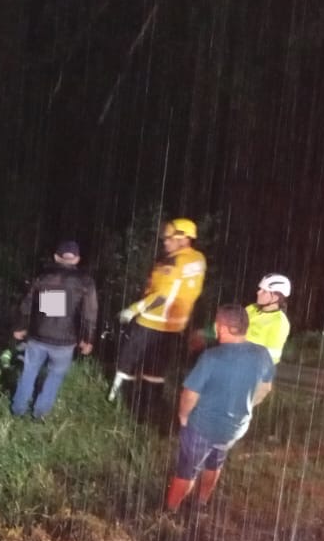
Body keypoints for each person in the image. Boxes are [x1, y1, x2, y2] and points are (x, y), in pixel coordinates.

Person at [166, 303, 275, 512]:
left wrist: (183, 416)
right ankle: (201, 503)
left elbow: (190, 394)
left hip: (202, 426)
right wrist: (246, 404)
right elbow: (265, 388)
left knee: (186, 472)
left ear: (221, 328)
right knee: (215, 462)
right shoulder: (262, 354)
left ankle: (170, 510)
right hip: (235, 428)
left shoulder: (212, 357)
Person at [110, 217, 207, 419]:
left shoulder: (173, 262)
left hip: (151, 322)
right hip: (174, 327)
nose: (165, 242)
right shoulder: (198, 259)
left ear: (184, 238)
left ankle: (117, 401)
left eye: (170, 238)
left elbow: (162, 295)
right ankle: (146, 411)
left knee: (128, 360)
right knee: (155, 370)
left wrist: (133, 310)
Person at [11, 240, 98, 419]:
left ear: (56, 257)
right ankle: (40, 414)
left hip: (38, 337)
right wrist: (88, 339)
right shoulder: (85, 282)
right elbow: (90, 313)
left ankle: (18, 411)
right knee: (55, 376)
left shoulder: (42, 277)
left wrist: (20, 327)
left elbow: (27, 305)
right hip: (65, 341)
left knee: (29, 371)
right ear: (77, 259)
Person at [188, 273, 292, 364]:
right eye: (260, 289)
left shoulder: (279, 322)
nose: (258, 292)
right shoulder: (252, 308)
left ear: (275, 297)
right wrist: (205, 333)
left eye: (264, 291)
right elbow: (230, 326)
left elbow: (272, 357)